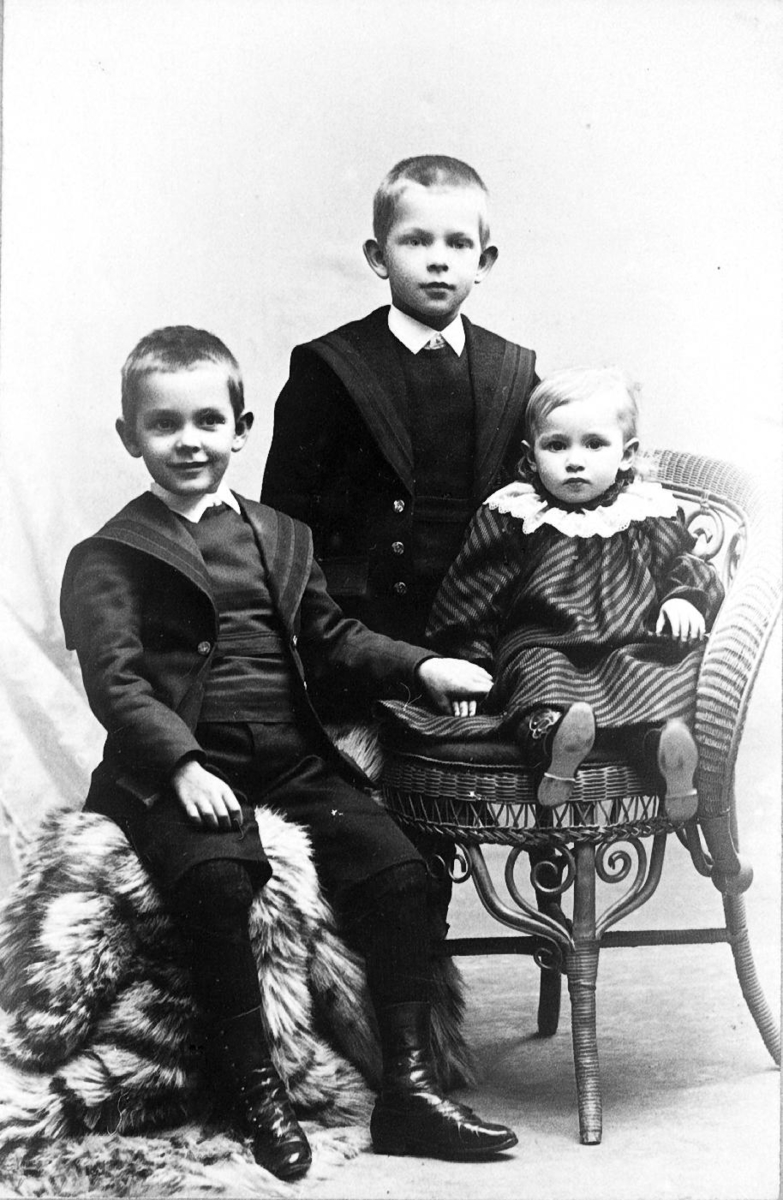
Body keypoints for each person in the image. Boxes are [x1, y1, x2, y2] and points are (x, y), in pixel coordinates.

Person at [59, 326, 519, 1181]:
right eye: (163, 425)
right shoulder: (111, 555)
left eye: (208, 421)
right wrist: (182, 765)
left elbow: (334, 637)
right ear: (130, 438)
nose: (188, 441)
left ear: (241, 430)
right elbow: (118, 686)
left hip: (288, 755)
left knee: (399, 872)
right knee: (218, 878)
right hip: (178, 767)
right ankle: (255, 1090)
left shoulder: (279, 534)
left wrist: (420, 665)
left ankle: (408, 1092)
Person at [378, 366, 725, 820]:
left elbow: (688, 563)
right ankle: (554, 743)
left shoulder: (646, 513)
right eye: (557, 445)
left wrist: (683, 598)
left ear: (626, 455)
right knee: (536, 676)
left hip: (629, 648)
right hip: (546, 648)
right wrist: (470, 663)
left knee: (665, 673)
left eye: (594, 444)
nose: (574, 460)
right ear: (531, 455)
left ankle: (663, 748)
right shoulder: (515, 516)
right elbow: (471, 597)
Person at [261, 154, 539, 671]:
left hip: (489, 629)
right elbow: (284, 527)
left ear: (483, 262)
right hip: (364, 633)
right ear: (378, 256)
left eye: (458, 244)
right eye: (416, 241)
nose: (439, 261)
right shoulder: (329, 369)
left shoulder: (514, 373)